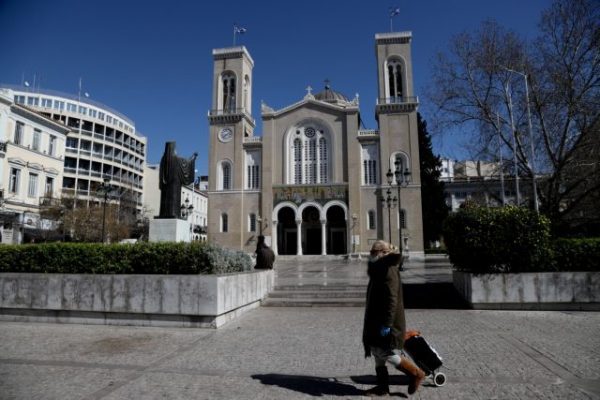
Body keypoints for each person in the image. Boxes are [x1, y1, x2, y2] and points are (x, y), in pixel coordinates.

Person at [362, 240, 425, 396]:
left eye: (373, 252)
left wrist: (387, 324)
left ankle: (415, 373)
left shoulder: (389, 268)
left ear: (382, 253)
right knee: (377, 352)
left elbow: (392, 298)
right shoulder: (380, 268)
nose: (371, 255)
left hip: (385, 320)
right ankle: (382, 388)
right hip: (377, 318)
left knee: (382, 351)